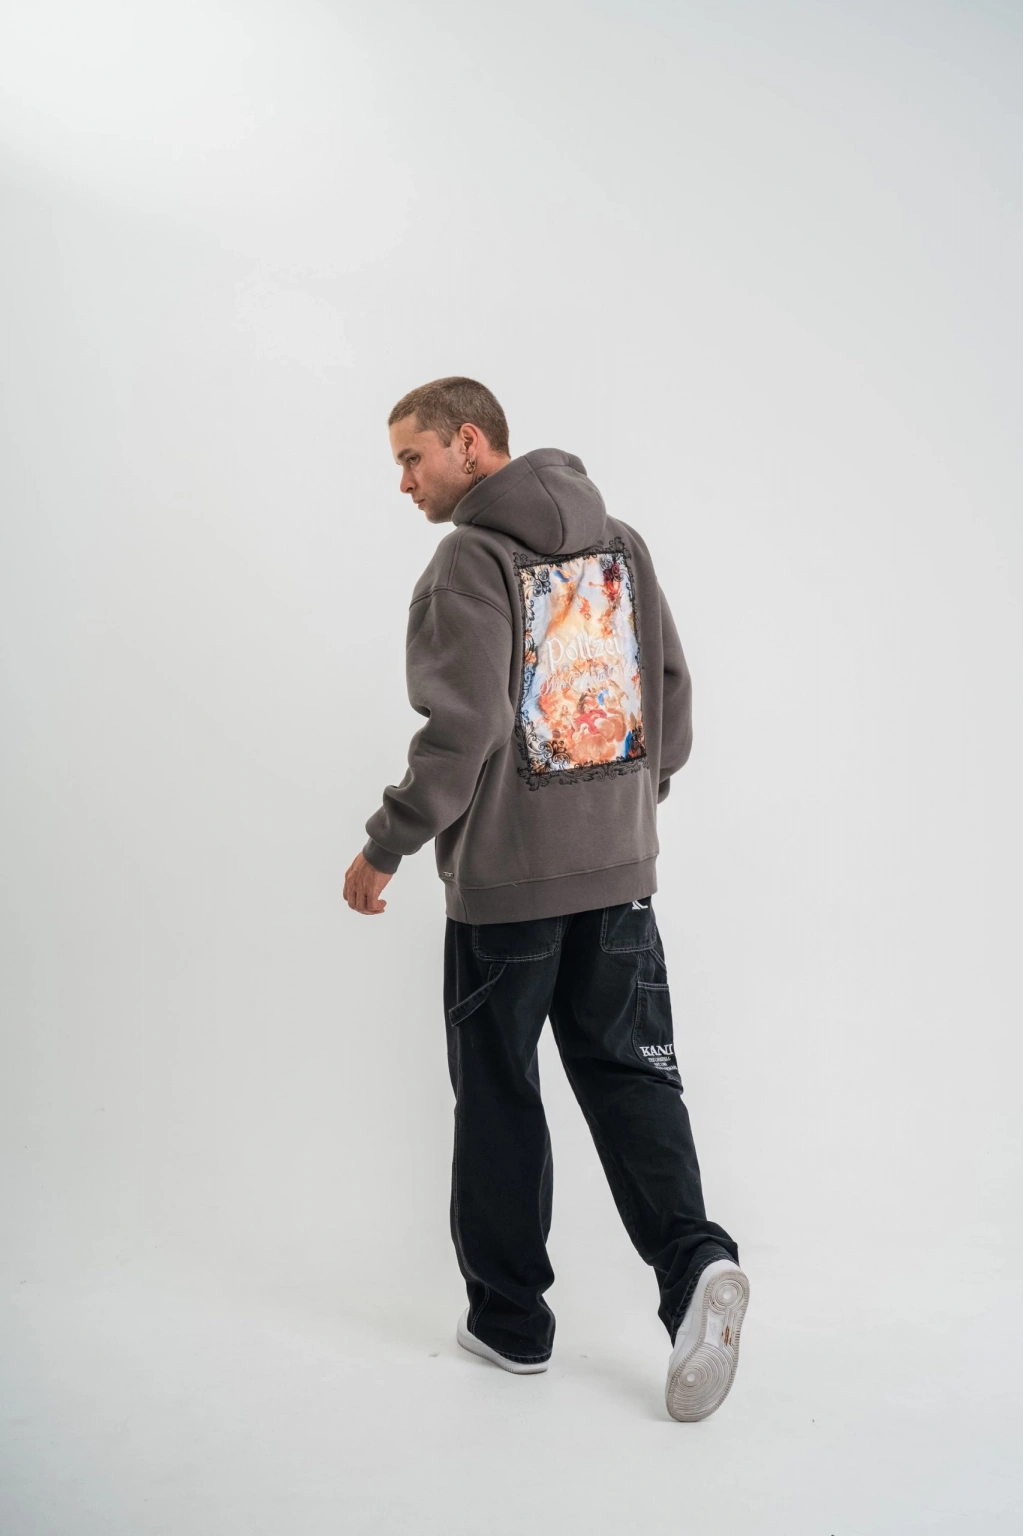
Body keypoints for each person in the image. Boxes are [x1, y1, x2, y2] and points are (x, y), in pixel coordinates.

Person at [343, 376, 749, 1421]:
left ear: (470, 443)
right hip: (620, 878)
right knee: (633, 1076)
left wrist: (388, 842)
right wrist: (629, 805)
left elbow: (464, 729)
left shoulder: (468, 564)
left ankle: (512, 1323)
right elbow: (669, 694)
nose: (404, 482)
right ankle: (696, 1265)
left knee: (499, 1092)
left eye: (413, 458)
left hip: (507, 893)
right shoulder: (621, 543)